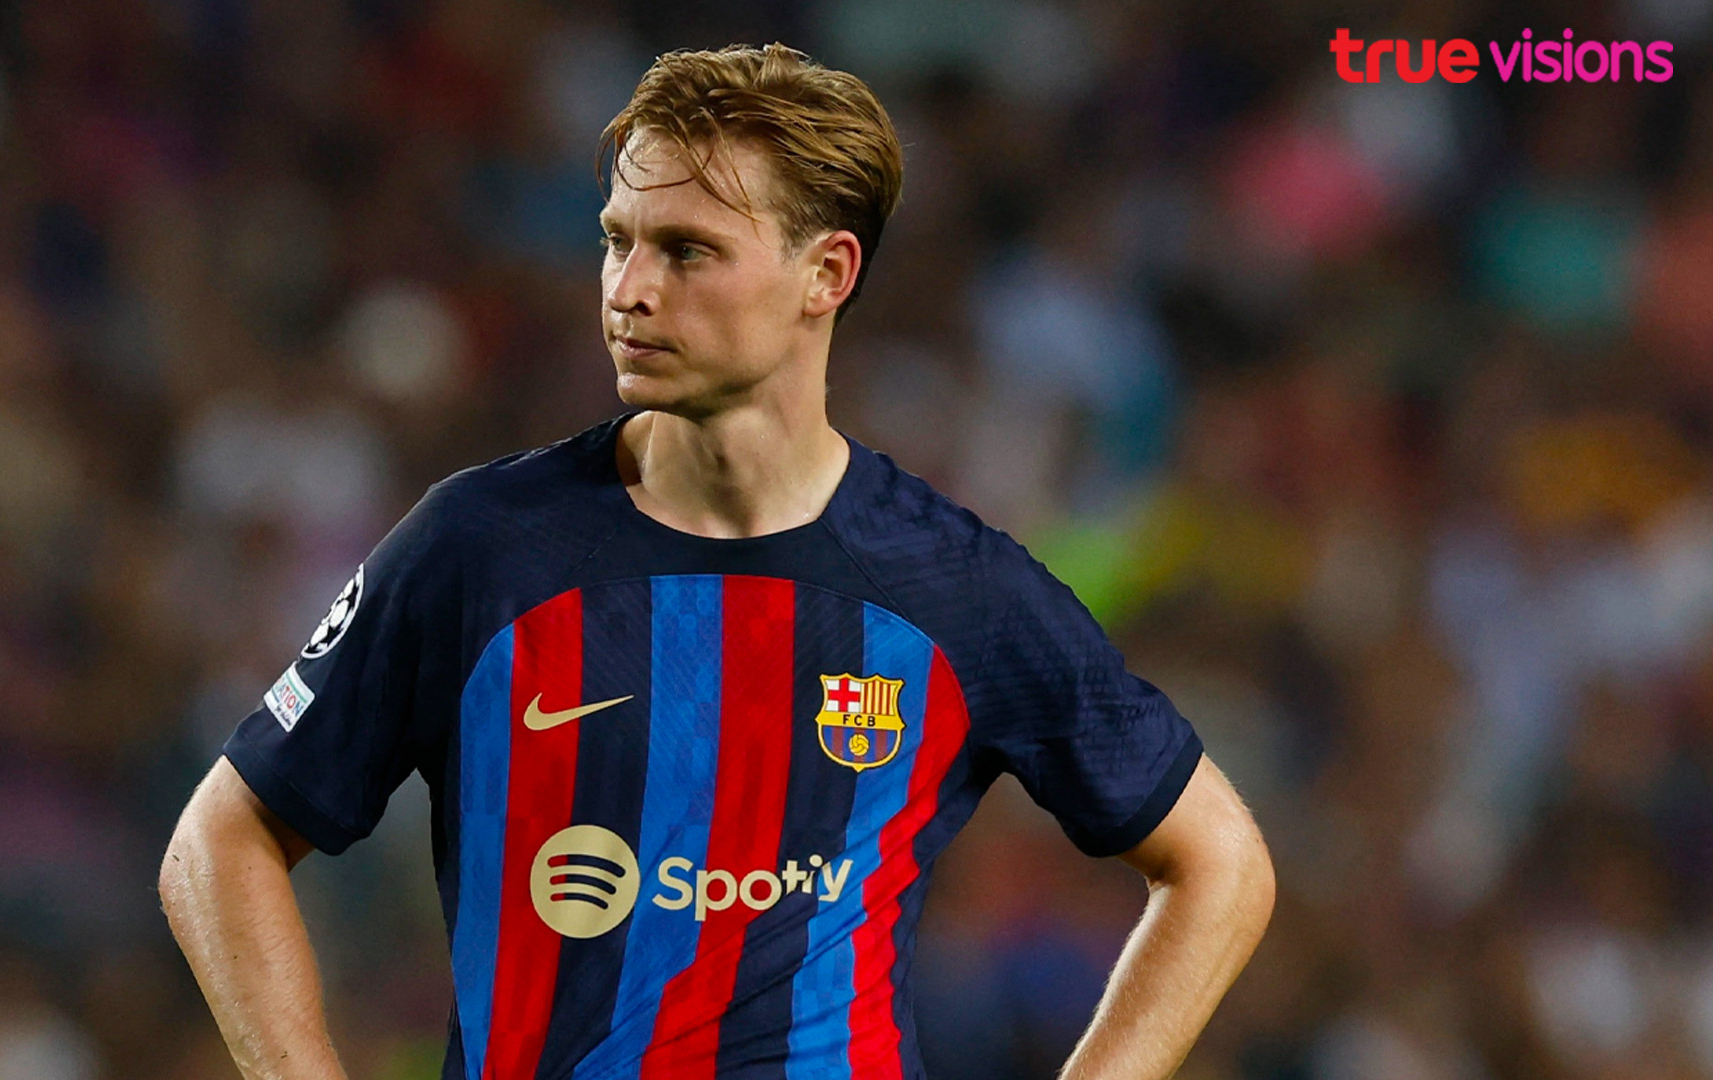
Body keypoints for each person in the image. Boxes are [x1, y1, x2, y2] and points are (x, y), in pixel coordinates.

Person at [160, 42, 1273, 1080]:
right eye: (617, 240)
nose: (629, 289)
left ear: (825, 273)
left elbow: (1220, 863)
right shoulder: (479, 547)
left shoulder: (954, 585)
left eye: (687, 250)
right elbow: (221, 837)